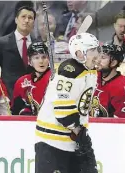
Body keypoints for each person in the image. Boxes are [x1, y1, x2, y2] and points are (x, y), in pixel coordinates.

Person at [35, 33, 100, 173]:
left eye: (97, 49)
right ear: (79, 53)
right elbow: (62, 108)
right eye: (92, 50)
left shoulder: (90, 71)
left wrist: (81, 134)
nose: (97, 54)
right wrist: (79, 131)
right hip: (52, 140)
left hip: (72, 140)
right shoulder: (69, 71)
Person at [0, 5, 36, 100]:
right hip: (8, 96)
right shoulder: (1, 43)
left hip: (33, 96)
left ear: (33, 22)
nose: (26, 20)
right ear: (16, 20)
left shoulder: (37, 43)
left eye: (30, 18)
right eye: (23, 17)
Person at [91, 44, 125, 118]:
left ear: (113, 62)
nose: (98, 61)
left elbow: (123, 121)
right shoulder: (92, 76)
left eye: (103, 58)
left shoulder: (123, 86)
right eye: (98, 56)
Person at [11, 42, 51, 115]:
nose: (41, 61)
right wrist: (25, 110)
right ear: (29, 61)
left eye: (44, 57)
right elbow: (15, 111)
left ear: (48, 59)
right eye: (36, 58)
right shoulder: (22, 82)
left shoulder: (54, 78)